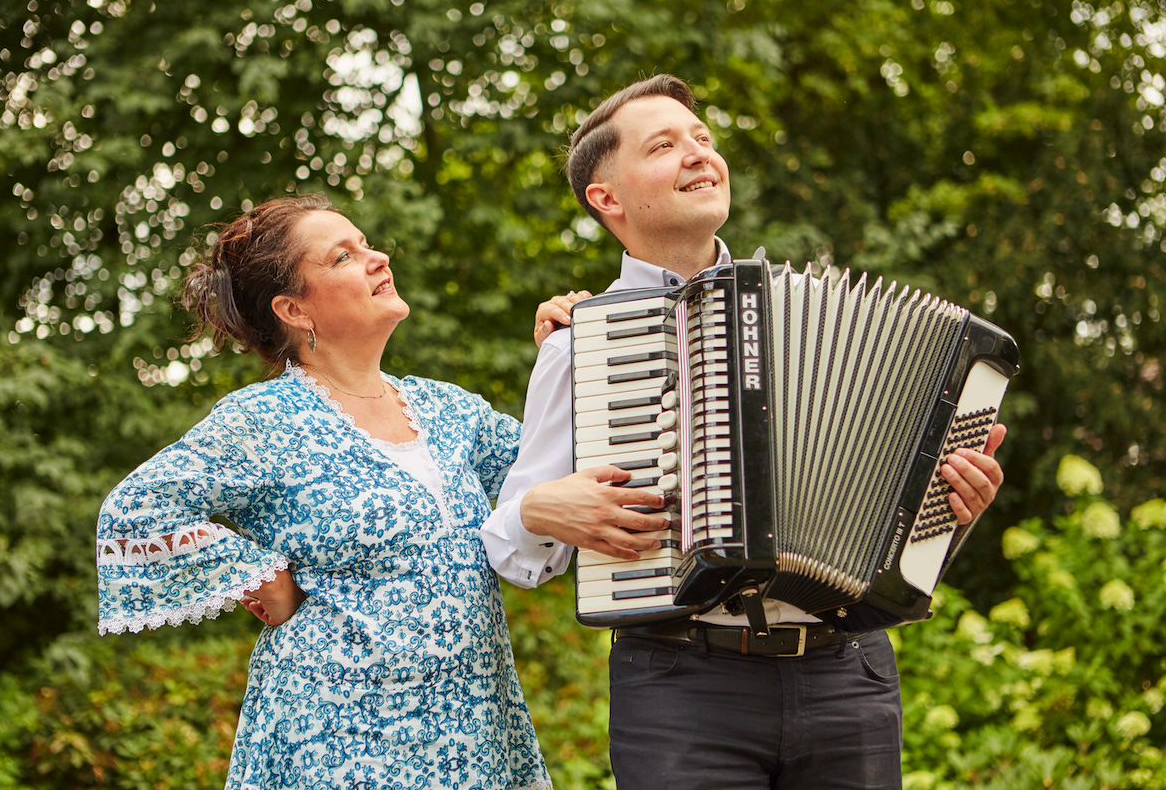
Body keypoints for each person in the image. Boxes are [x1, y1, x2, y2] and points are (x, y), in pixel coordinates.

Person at [481, 75, 1008, 789]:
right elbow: (516, 552)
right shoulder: (584, 346)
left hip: (847, 673)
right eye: (664, 146)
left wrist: (950, 509)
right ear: (606, 199)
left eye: (702, 138)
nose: (699, 153)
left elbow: (896, 526)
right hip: (681, 685)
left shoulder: (811, 315)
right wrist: (543, 510)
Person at [95, 194, 575, 790]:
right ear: (295, 309)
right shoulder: (264, 419)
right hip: (332, 741)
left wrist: (566, 360)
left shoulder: (451, 410)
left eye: (367, 243)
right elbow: (134, 511)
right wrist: (258, 574)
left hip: (475, 738)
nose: (376, 258)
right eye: (344, 256)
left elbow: (559, 485)